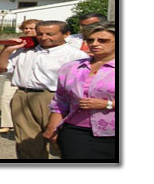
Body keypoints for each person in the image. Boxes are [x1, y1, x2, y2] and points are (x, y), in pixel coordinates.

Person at [0, 20, 89, 159]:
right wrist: (7, 50)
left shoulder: (75, 56)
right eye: (40, 34)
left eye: (50, 34)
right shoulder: (24, 52)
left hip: (56, 99)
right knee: (27, 144)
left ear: (66, 34)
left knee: (61, 141)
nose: (44, 37)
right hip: (23, 97)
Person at [43, 21, 116, 160]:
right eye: (90, 40)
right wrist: (52, 127)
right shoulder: (71, 67)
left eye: (103, 40)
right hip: (76, 131)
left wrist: (108, 104)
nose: (94, 44)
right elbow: (61, 100)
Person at [0, 19, 40, 134]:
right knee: (6, 99)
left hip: (33, 79)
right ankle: (7, 125)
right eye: (26, 28)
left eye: (31, 28)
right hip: (13, 76)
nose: (28, 30)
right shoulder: (20, 42)